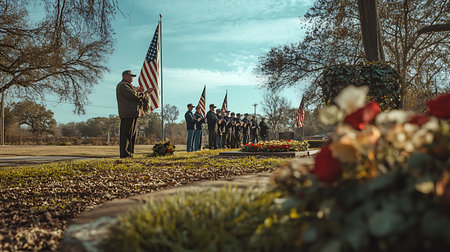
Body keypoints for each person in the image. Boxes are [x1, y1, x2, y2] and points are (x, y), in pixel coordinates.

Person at [116, 70, 152, 158]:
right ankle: (125, 154)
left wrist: (141, 92)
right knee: (127, 134)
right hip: (128, 112)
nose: (132, 77)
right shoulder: (123, 85)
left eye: (132, 76)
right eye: (130, 76)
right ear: (124, 76)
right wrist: (145, 94)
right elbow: (133, 95)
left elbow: (135, 93)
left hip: (132, 112)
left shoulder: (128, 86)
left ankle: (129, 153)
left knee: (131, 134)